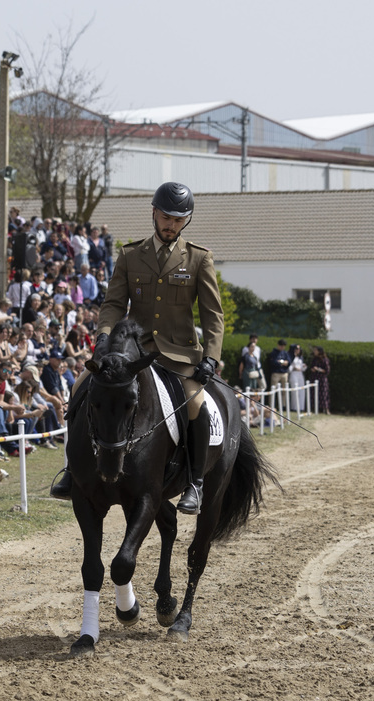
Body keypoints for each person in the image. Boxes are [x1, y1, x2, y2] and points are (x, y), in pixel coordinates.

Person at [52, 182, 223, 515]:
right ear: (154, 213)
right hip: (133, 353)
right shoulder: (130, 255)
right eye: (166, 217)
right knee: (80, 387)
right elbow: (114, 303)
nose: (170, 224)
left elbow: (213, 315)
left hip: (179, 355)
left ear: (185, 221)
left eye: (178, 219)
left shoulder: (200, 259)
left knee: (196, 405)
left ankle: (195, 483)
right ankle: (74, 471)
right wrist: (103, 335)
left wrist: (211, 357)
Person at [310, 346, 331, 414]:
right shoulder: (314, 359)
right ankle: (315, 408)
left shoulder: (325, 359)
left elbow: (327, 370)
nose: (314, 351)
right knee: (314, 393)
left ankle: (326, 409)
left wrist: (318, 369)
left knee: (324, 394)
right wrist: (313, 369)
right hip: (314, 378)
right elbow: (312, 367)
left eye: (315, 350)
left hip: (322, 379)